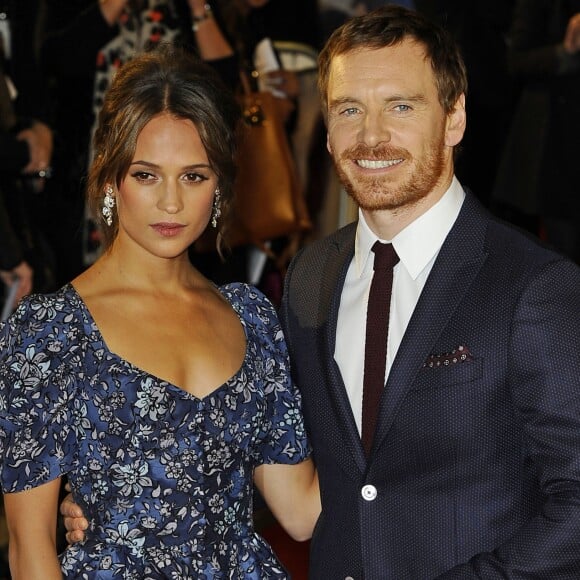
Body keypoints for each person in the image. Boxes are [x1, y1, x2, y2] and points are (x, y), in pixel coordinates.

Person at [63, 6, 580, 578]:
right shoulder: (312, 278)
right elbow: (281, 464)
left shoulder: (534, 286)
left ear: (454, 118)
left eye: (401, 107)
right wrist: (129, 504)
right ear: (328, 130)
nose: (373, 135)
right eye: (349, 110)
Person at [0, 44, 319, 578]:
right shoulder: (47, 332)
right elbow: (30, 552)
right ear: (110, 179)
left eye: (194, 176)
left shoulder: (252, 318)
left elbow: (301, 512)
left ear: (219, 186)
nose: (171, 203)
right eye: (147, 174)